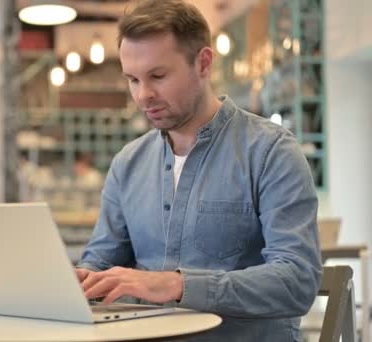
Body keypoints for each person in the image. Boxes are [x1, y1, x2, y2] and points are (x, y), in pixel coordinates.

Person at [75, 1, 322, 341]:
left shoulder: (271, 152)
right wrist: (78, 281)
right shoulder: (128, 163)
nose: (143, 95)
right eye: (132, 79)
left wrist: (177, 284)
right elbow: (100, 262)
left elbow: (297, 281)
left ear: (203, 63)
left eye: (158, 76)